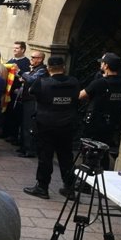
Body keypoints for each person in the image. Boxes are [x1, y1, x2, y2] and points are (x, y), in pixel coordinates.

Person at [23, 56, 80, 199]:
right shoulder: (74, 82)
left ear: (48, 68)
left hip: (46, 125)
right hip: (67, 125)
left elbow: (31, 92)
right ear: (64, 67)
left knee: (45, 156)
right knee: (66, 156)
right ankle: (69, 188)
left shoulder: (42, 82)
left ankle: (42, 187)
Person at [79, 52, 121, 169]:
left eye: (102, 63)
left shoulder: (100, 82)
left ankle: (87, 182)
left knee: (89, 150)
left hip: (95, 122)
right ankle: (103, 175)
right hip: (111, 122)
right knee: (104, 150)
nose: (101, 65)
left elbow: (81, 95)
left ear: (106, 66)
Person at [17, 50, 47, 158]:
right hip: (27, 99)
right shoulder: (35, 69)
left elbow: (31, 80)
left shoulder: (42, 70)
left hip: (32, 101)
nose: (31, 59)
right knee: (24, 124)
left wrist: (20, 72)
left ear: (40, 59)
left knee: (29, 125)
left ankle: (29, 150)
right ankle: (24, 147)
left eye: (33, 57)